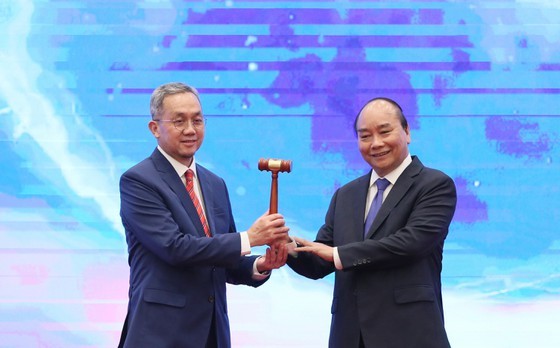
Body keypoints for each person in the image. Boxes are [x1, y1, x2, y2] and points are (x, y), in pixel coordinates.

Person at [117, 82, 289, 348]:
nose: (190, 129)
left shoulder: (214, 183)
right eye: (179, 121)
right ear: (154, 128)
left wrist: (260, 265)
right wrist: (250, 237)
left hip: (212, 334)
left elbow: (222, 259)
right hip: (160, 335)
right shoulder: (138, 181)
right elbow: (175, 248)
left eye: (197, 120)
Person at [288, 97, 457, 348]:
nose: (376, 143)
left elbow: (410, 244)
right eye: (365, 136)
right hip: (350, 336)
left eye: (385, 132)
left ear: (407, 131)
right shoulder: (345, 195)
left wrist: (338, 254)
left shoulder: (434, 185)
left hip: (409, 335)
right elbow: (320, 261)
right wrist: (289, 249)